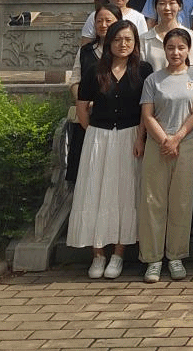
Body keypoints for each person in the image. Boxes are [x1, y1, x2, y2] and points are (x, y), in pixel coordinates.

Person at [67, 20, 150, 280]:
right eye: (117, 39)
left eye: (128, 39)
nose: (123, 44)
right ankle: (98, 254)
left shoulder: (143, 70)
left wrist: (140, 138)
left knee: (124, 194)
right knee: (96, 193)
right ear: (109, 42)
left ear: (135, 43)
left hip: (130, 137)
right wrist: (92, 131)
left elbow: (146, 110)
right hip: (99, 138)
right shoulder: (95, 70)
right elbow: (82, 106)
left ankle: (118, 254)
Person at [138, 28, 193, 283]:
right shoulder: (153, 79)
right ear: (164, 50)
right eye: (170, 48)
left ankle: (176, 256)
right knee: (152, 201)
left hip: (186, 144)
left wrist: (177, 138)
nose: (176, 52)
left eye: (181, 47)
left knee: (181, 200)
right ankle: (153, 258)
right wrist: (164, 140)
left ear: (188, 49)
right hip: (157, 145)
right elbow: (147, 115)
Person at [67, 2, 121, 184]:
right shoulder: (86, 51)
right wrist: (84, 103)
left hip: (117, 122)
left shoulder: (126, 51)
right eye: (99, 21)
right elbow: (75, 80)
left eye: (108, 21)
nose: (103, 25)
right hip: (87, 118)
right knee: (86, 174)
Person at [144, 0, 193, 70]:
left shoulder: (190, 35)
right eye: (162, 3)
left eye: (172, 3)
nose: (167, 8)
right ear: (155, 7)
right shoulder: (145, 39)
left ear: (179, 6)